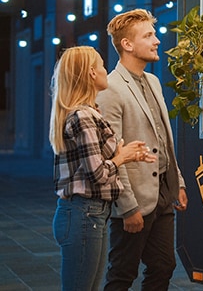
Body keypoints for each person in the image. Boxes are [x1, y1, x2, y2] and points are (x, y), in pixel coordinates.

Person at [96, 9, 188, 290]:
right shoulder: (110, 87)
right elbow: (114, 153)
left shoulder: (153, 81)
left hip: (162, 191)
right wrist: (128, 208)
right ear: (127, 44)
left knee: (164, 266)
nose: (157, 40)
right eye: (148, 35)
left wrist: (178, 182)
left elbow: (163, 138)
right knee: (123, 273)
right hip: (134, 197)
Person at [49, 46, 154, 291]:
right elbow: (97, 174)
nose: (106, 70)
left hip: (88, 214)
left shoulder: (86, 113)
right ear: (91, 74)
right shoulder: (83, 116)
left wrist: (126, 155)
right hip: (84, 214)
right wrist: (122, 158)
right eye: (102, 65)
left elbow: (95, 164)